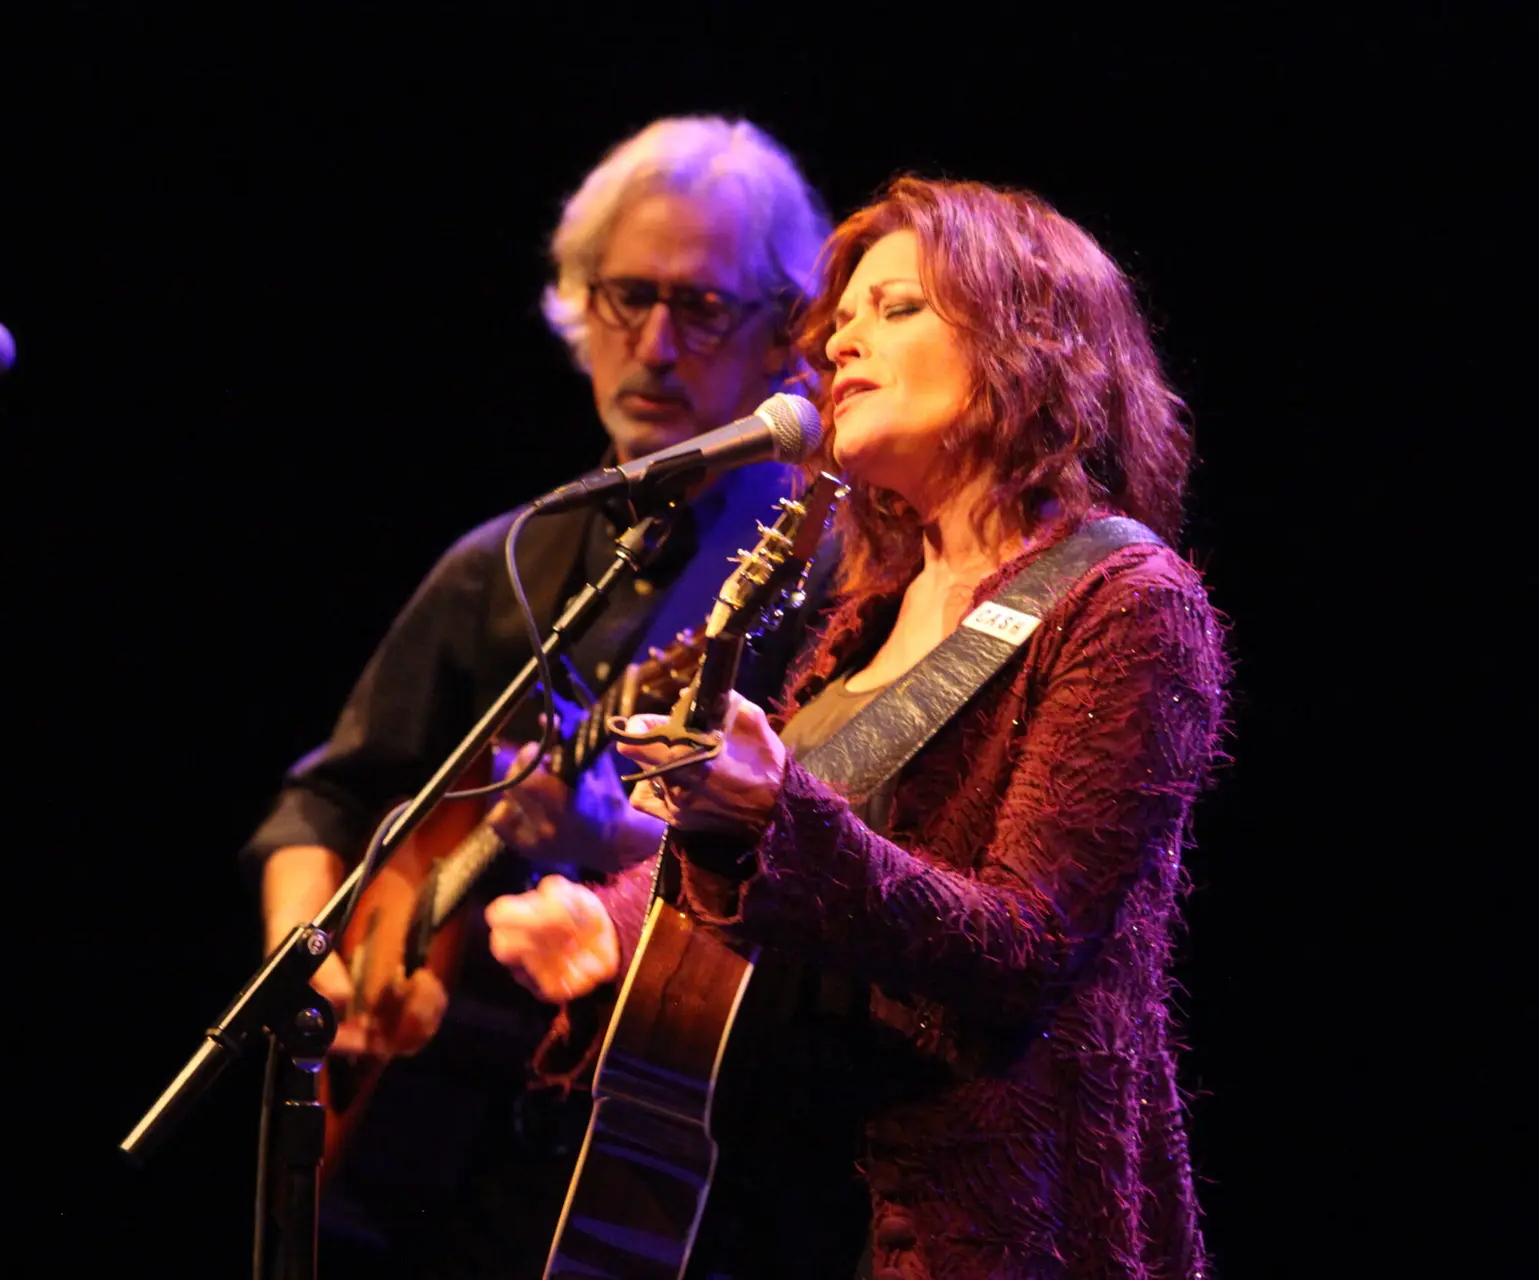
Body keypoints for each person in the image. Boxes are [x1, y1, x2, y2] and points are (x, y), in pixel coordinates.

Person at [485, 176, 1231, 1278]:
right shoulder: (864, 620)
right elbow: (818, 858)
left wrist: (772, 809)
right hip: (788, 1210)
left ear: (1027, 335)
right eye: (838, 323)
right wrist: (613, 919)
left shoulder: (1125, 600)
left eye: (896, 308)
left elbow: (1021, 945)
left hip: (995, 1224)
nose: (842, 343)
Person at [240, 115, 834, 1276]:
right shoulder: (503, 560)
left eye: (702, 306)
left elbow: (822, 874)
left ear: (784, 338)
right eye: (625, 296)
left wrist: (618, 837)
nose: (655, 345)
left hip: (661, 1164)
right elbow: (323, 803)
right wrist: (320, 963)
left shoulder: (819, 576)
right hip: (422, 1157)